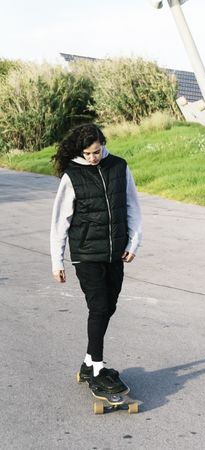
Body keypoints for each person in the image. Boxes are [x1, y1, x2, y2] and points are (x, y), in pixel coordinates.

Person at [50, 123, 142, 394]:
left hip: (115, 252)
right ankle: (99, 370)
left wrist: (134, 242)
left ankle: (89, 362)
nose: (93, 157)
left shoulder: (119, 167)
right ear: (80, 151)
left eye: (97, 151)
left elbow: (132, 206)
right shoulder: (73, 175)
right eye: (88, 153)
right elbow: (60, 221)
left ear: (103, 145)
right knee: (99, 306)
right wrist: (58, 261)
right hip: (87, 254)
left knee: (109, 306)